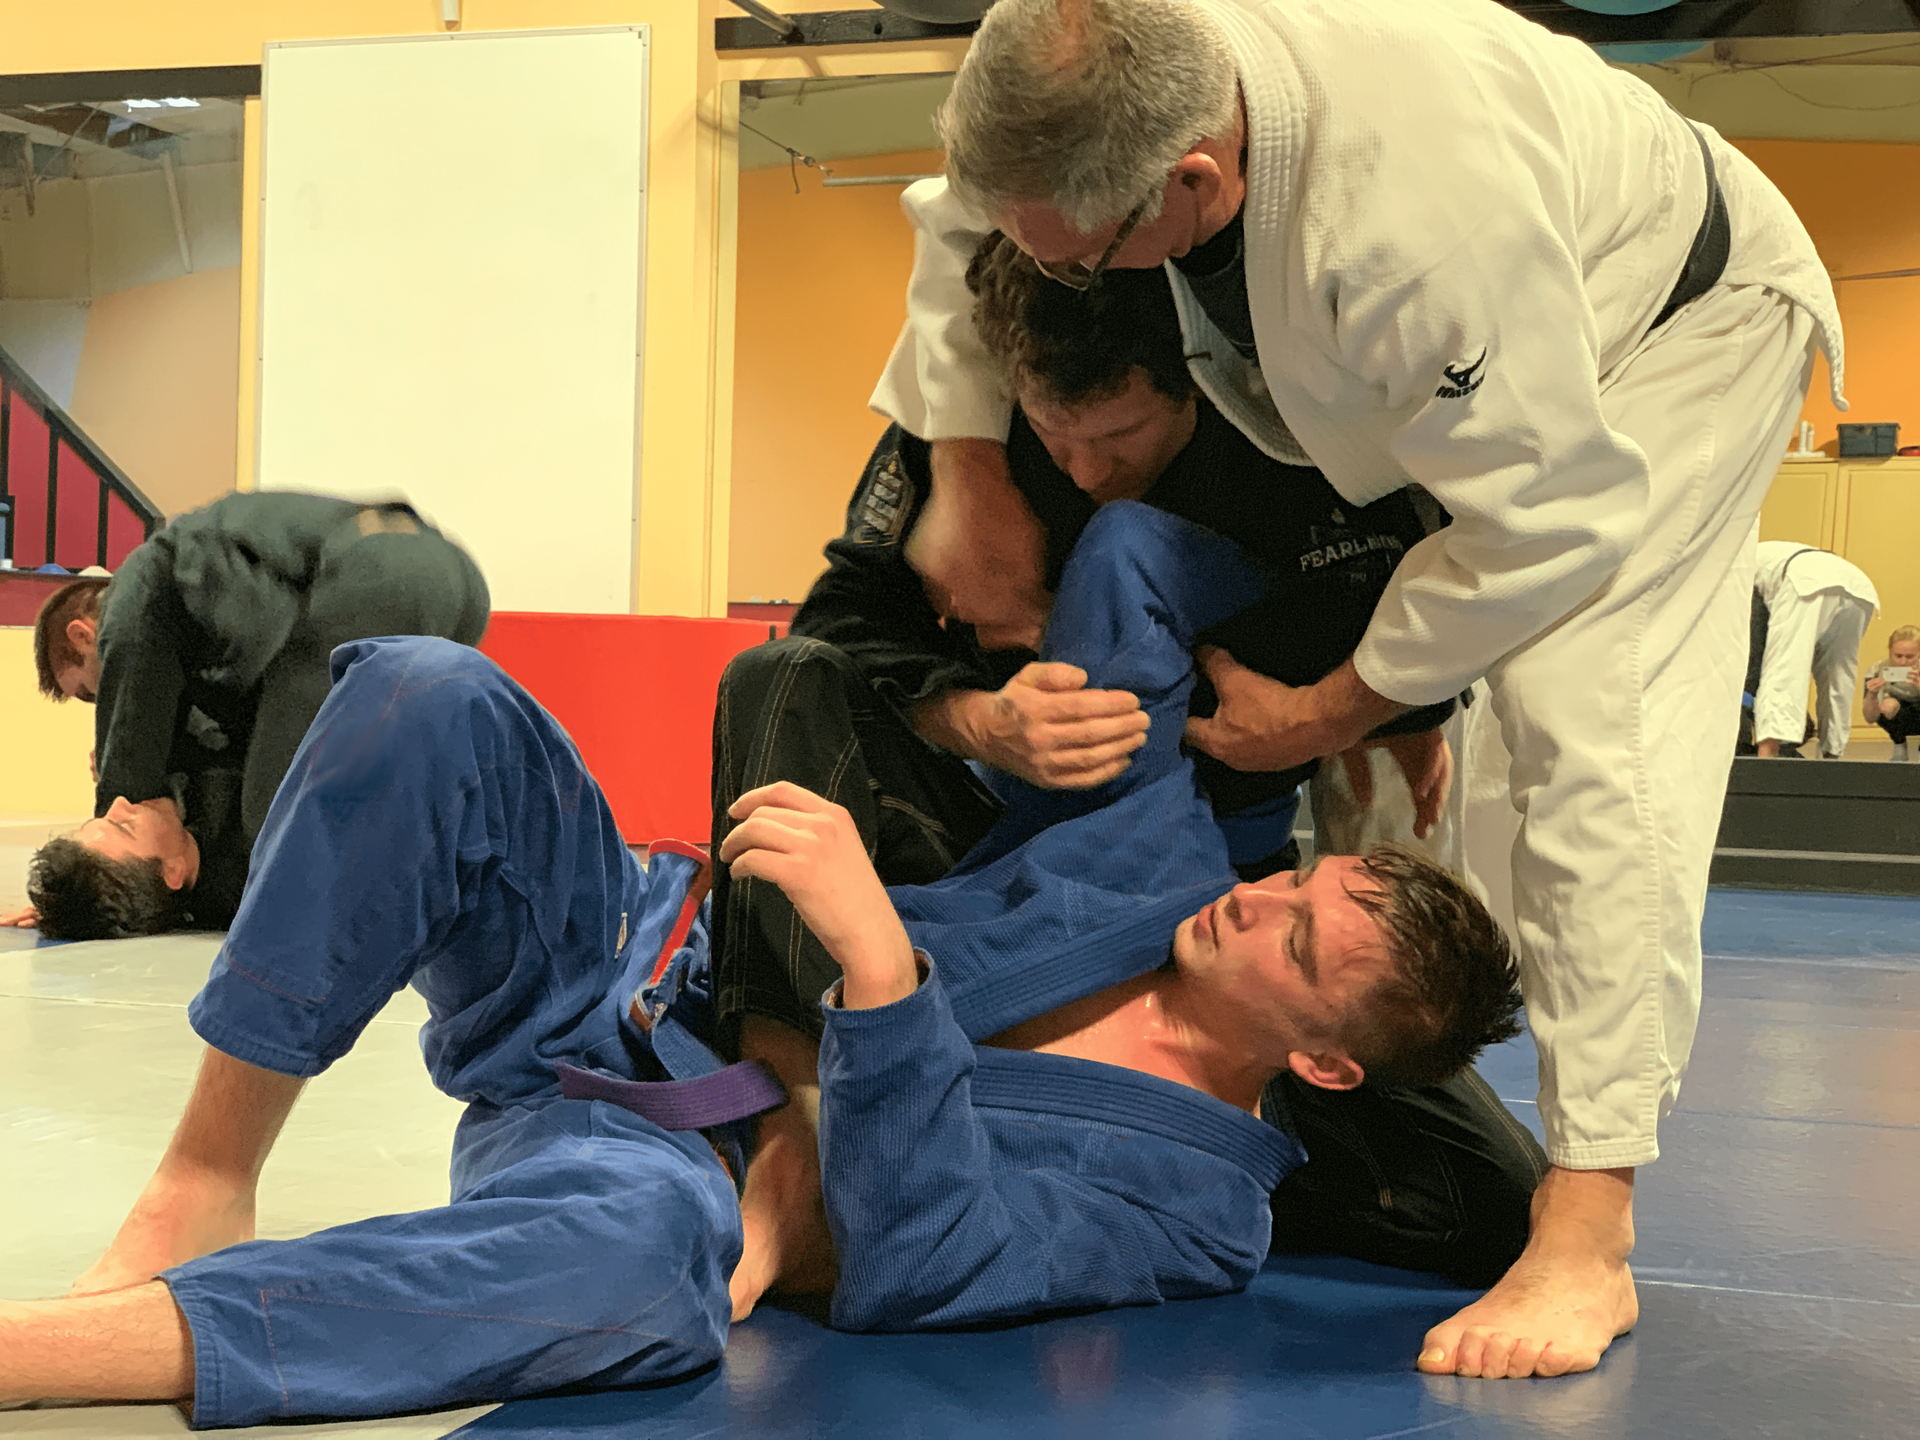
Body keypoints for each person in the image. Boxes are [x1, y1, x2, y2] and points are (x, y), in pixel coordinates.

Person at [865, 0, 1843, 1379]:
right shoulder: (1115, 85)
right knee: (1467, 749)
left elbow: (1548, 522)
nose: (1070, 275)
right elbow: (964, 221)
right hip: (1457, 346)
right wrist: (965, 460)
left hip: (1669, 334)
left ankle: (1590, 1227)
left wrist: (1341, 704)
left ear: (1194, 183)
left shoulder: (1410, 233)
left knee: (1588, 727)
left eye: (1086, 250)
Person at [0, 546, 1522, 1422]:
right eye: (1298, 876)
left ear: (1325, 1065)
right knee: (421, 687)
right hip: (623, 955)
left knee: (640, 1276)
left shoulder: (1199, 1212)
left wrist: (882, 966)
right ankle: (207, 1173)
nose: (1261, 898)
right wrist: (1374, 678)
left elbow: (933, 1261)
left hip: (657, 1161)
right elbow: (1141, 552)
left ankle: (42, 1356)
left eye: (1300, 941)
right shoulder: (1162, 861)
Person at [795, 233, 1455, 888]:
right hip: (1010, 815)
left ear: (1200, 384)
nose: (1085, 471)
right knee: (775, 679)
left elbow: (1396, 590)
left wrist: (1378, 706)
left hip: (1242, 831)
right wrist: (975, 720)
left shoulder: (1288, 424)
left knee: (1126, 543)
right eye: (1053, 435)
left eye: (1121, 435)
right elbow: (835, 628)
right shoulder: (966, 439)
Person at [8, 492, 489, 935]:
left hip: (384, 572)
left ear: (83, 636)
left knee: (278, 820)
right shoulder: (214, 636)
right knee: (360, 781)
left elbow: (131, 750)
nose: (103, 703)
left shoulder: (134, 601)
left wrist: (80, 890)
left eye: (90, 693)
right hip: (456, 587)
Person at [1750, 540, 1879, 759]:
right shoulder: (1769, 551)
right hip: (1860, 586)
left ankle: (1767, 757)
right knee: (1839, 673)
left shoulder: (1734, 565)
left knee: (1784, 666)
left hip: (1805, 580)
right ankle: (1832, 755)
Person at [1863, 625, 1920, 760]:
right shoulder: (1876, 670)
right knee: (1887, 705)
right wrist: (1871, 696)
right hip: (1899, 713)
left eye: (1910, 657)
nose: (1903, 662)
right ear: (1890, 651)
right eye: (1898, 656)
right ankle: (1898, 743)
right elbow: (1870, 718)